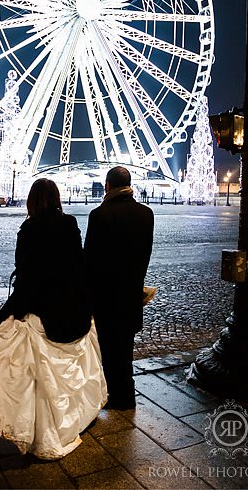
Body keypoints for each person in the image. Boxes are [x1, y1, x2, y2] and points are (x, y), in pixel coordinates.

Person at [0, 178, 106, 460]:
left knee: (25, 373)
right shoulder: (69, 224)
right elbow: (77, 266)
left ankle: (32, 428)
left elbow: (27, 276)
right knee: (57, 375)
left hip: (40, 309)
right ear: (56, 198)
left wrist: (7, 312)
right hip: (68, 308)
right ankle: (64, 422)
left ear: (32, 201)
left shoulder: (29, 229)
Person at [83, 165, 154, 410]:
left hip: (106, 296)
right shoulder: (146, 214)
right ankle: (127, 394)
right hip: (132, 293)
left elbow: (90, 259)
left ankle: (116, 395)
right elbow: (145, 253)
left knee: (109, 349)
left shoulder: (99, 215)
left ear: (108, 186)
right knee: (125, 347)